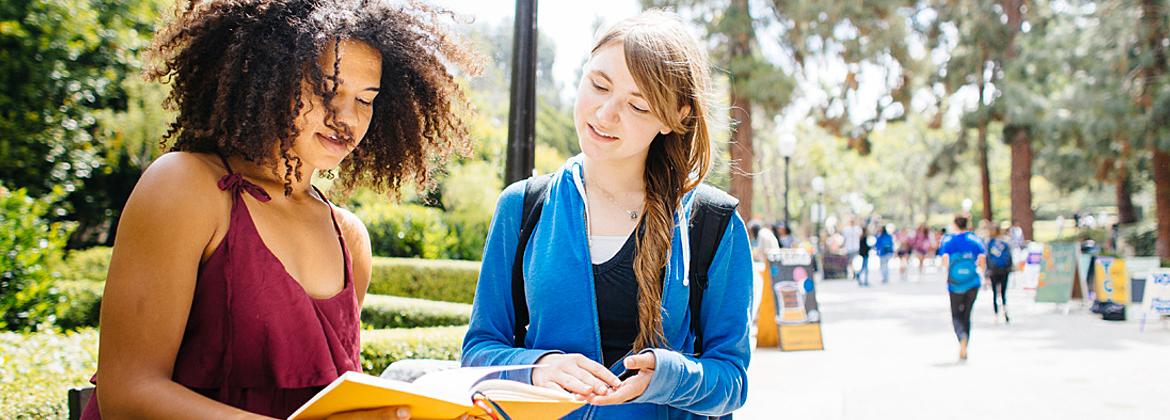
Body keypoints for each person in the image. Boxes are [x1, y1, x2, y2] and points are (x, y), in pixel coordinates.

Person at [81, 1, 480, 418]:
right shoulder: (186, 186)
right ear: (265, 75)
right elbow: (128, 393)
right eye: (327, 89)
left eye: (365, 100)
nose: (347, 118)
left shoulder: (348, 236)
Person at [461, 11, 752, 419]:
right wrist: (539, 368)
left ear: (676, 118)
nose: (605, 114)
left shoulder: (713, 223)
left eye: (638, 106)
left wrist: (670, 376)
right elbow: (477, 351)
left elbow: (733, 381)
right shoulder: (522, 206)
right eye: (598, 85)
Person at [937, 215, 987, 361]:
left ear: (955, 225)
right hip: (972, 283)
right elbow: (982, 259)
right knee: (967, 315)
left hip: (955, 285)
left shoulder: (948, 240)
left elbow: (944, 260)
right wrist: (979, 272)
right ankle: (965, 343)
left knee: (956, 315)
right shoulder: (974, 239)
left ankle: (961, 338)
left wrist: (952, 271)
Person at [985, 225, 1014, 324]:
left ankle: (996, 315)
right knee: (1003, 293)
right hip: (1004, 270)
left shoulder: (990, 243)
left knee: (994, 293)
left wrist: (987, 271)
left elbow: (987, 257)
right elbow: (1009, 256)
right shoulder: (1005, 242)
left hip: (993, 271)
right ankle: (1005, 313)